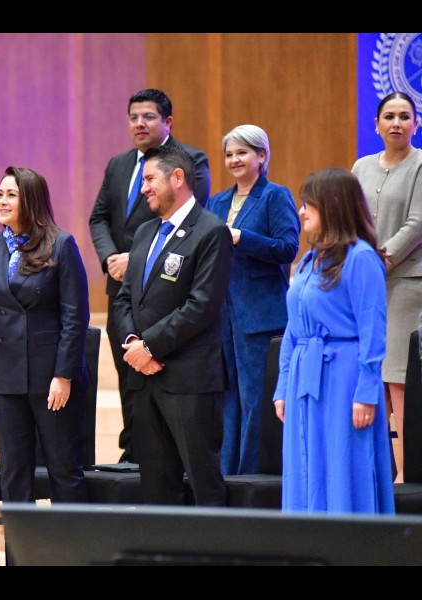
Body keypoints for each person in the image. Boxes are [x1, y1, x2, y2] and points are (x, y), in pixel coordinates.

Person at [89, 88, 211, 464]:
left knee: (165, 379)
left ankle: (168, 457)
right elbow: (98, 218)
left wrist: (135, 259)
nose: (139, 123)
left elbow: (190, 222)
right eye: (133, 117)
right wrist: (111, 258)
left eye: (148, 116)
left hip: (166, 292)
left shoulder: (190, 160)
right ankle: (134, 451)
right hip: (122, 291)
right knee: (129, 375)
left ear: (167, 121)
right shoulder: (118, 164)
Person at [0, 166, 90, 515]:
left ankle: (72, 546)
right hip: (3, 376)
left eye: (11, 195)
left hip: (51, 376)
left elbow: (75, 316)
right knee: (14, 474)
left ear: (31, 200)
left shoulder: (61, 244)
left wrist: (64, 375)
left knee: (64, 470)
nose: (1, 201)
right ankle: (19, 547)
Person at [114, 144, 233, 506]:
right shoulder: (144, 232)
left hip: (189, 381)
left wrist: (150, 347)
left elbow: (202, 306)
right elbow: (124, 299)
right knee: (156, 489)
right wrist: (134, 344)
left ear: (177, 178)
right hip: (144, 380)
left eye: (150, 179)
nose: (143, 188)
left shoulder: (211, 231)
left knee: (203, 485)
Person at [273, 167, 395, 514]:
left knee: (344, 466)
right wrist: (283, 385)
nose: (301, 211)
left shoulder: (361, 258)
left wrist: (366, 391)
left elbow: (373, 330)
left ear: (334, 203)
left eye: (308, 203)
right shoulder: (308, 261)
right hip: (304, 378)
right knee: (304, 465)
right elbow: (293, 329)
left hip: (344, 379)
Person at [206, 124, 300, 476]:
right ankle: (227, 474)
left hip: (261, 315)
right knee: (228, 399)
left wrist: (240, 237)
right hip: (222, 316)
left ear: (262, 156)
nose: (234, 160)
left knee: (255, 400)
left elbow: (287, 249)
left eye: (242, 152)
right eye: (229, 154)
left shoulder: (276, 196)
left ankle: (252, 478)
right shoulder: (216, 201)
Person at [352, 91, 422, 484]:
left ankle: (406, 474)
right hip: (362, 285)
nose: (397, 123)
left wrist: (377, 261)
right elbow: (351, 217)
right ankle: (376, 471)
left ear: (416, 124)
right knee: (369, 376)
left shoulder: (420, 164)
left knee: (397, 378)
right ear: (376, 124)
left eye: (404, 116)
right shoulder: (361, 166)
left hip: (405, 283)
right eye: (389, 116)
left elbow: (417, 223)